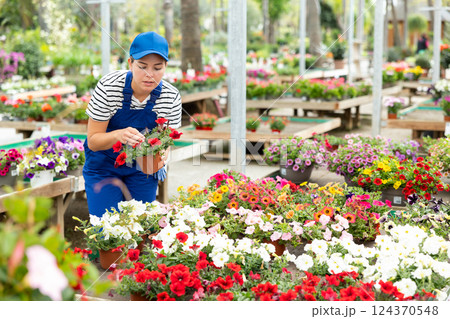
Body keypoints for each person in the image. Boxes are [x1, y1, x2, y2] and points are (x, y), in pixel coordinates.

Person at [83, 31, 182, 217]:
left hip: (141, 170)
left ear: (166, 66)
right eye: (142, 66)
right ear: (130, 63)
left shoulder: (170, 96)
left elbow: (165, 146)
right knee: (105, 229)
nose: (149, 75)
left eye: (157, 68)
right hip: (103, 166)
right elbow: (93, 141)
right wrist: (118, 135)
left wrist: (159, 155)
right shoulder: (109, 87)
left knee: (141, 228)